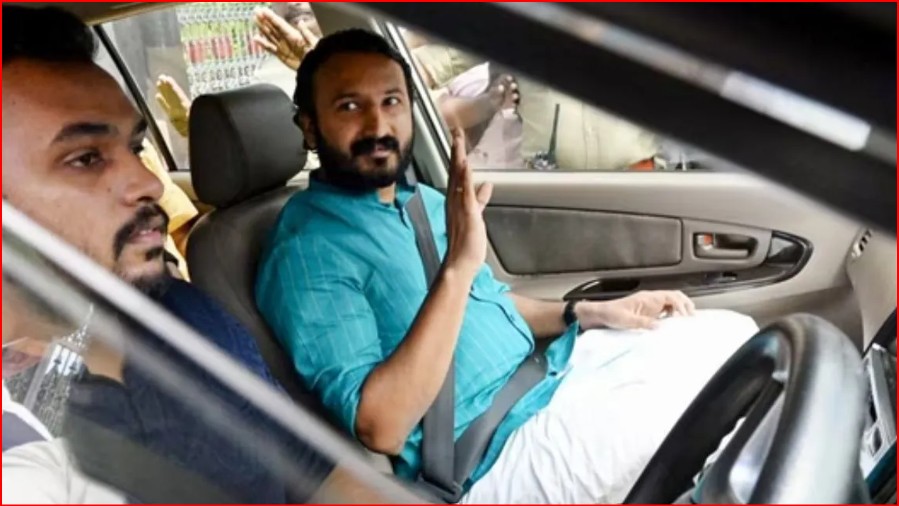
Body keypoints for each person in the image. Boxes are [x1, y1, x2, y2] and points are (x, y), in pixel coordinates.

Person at [255, 29, 760, 503]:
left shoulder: (419, 201)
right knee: (718, 412)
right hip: (491, 454)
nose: (378, 126)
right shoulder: (306, 250)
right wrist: (457, 269)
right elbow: (380, 426)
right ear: (310, 126)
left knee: (733, 337)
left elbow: (489, 301)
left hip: (549, 376)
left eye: (392, 102)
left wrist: (587, 312)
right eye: (349, 106)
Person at [2, 6, 385, 503]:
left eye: (136, 147)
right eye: (85, 158)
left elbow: (315, 473)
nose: (149, 182)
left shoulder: (183, 314)